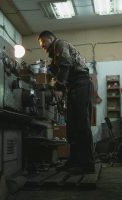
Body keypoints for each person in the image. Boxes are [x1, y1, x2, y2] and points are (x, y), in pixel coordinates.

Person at [38, 30, 95, 174]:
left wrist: (59, 87)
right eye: (41, 45)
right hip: (73, 86)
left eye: (43, 42)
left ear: (51, 38)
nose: (43, 46)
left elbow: (65, 65)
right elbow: (59, 70)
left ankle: (87, 164)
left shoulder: (60, 44)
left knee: (81, 124)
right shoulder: (54, 56)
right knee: (72, 126)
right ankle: (74, 161)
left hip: (81, 83)